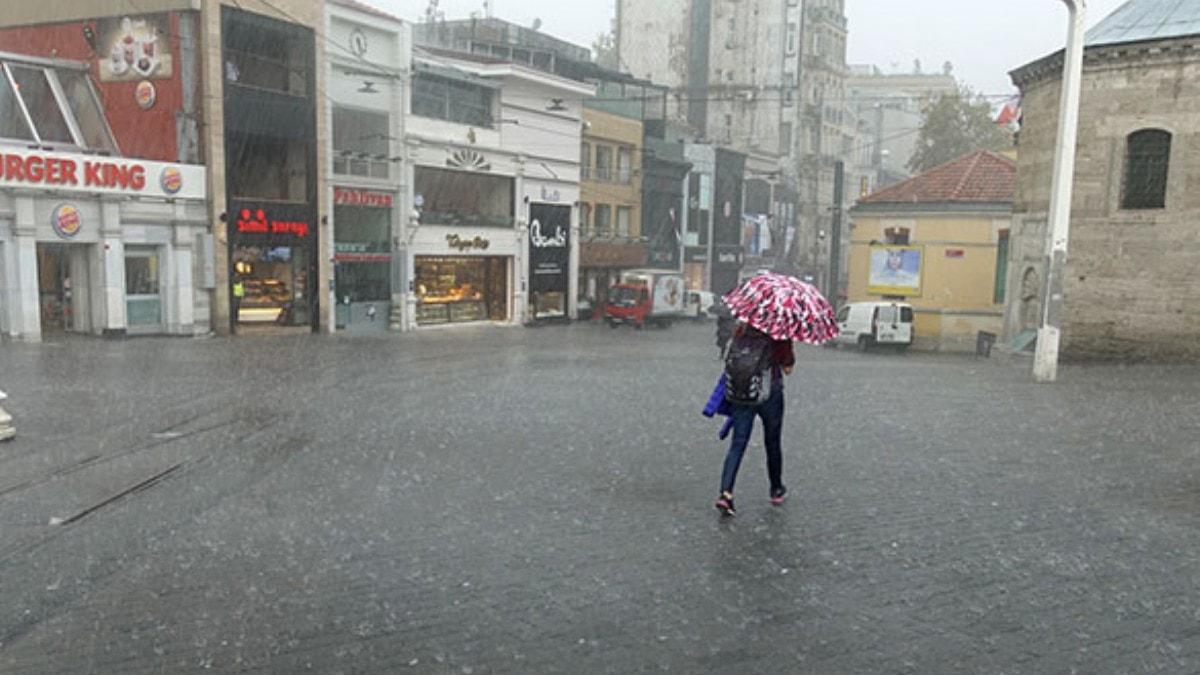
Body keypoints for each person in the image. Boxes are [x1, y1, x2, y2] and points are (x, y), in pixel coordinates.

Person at [714, 323, 794, 516]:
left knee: (738, 444)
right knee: (772, 441)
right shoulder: (779, 332)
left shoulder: (740, 330)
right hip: (770, 393)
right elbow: (788, 368)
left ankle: (726, 493)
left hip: (742, 392)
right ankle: (776, 489)